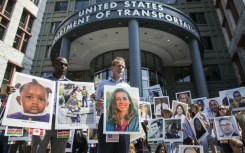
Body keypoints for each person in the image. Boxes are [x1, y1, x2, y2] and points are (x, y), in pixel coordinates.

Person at [31, 56, 70, 153]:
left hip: (62, 122)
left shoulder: (70, 85)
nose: (63, 66)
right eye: (61, 64)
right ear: (54, 65)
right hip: (42, 119)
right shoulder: (42, 81)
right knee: (37, 149)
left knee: (59, 150)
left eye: (65, 65)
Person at [96, 57, 130, 153]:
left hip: (123, 121)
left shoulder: (127, 87)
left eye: (123, 67)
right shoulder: (102, 84)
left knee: (122, 149)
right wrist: (98, 105)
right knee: (105, 149)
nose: (121, 68)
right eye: (119, 66)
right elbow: (95, 106)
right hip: (106, 120)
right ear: (112, 67)